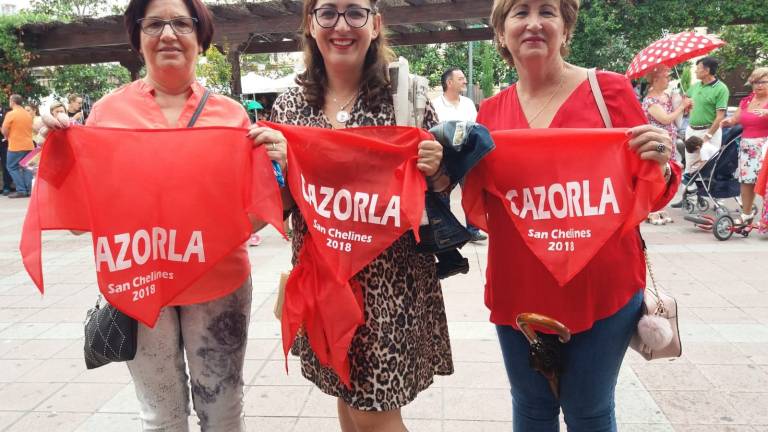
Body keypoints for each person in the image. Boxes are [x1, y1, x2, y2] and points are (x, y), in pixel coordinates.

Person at [42, 0, 287, 430]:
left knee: (223, 409)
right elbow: (83, 220)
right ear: (137, 39)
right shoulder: (106, 115)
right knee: (160, 414)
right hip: (139, 282)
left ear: (201, 39)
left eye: (181, 23)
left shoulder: (232, 118)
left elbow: (259, 209)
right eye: (153, 24)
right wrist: (59, 152)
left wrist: (269, 178)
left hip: (218, 283)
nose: (168, 34)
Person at [475, 0, 679, 430]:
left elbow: (653, 192)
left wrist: (660, 162)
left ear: (566, 29)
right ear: (501, 32)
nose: (533, 23)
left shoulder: (609, 92)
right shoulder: (489, 115)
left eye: (547, 11)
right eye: (519, 12)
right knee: (531, 409)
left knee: (589, 411)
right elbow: (479, 204)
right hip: (519, 294)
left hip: (602, 293)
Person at [270, 0, 453, 430]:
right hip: (323, 282)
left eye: (355, 12)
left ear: (375, 24)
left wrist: (438, 168)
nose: (341, 26)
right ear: (311, 25)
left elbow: (439, 189)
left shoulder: (405, 98)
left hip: (390, 289)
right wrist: (281, 173)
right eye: (328, 12)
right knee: (345, 395)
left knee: (374, 418)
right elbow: (281, 206)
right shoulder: (291, 107)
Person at [432, 68, 488, 242]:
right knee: (443, 195)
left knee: (471, 192)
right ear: (449, 83)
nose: (465, 81)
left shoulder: (468, 103)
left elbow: (476, 126)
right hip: (445, 156)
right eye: (461, 78)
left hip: (466, 156)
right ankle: (446, 231)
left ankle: (472, 229)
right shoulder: (435, 104)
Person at [642, 65, 691, 224]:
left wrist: (685, 107)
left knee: (665, 175)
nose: (668, 80)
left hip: (668, 141)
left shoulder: (667, 96)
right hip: (657, 143)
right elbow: (665, 119)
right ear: (656, 79)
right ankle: (650, 210)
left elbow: (676, 119)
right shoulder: (651, 100)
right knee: (657, 173)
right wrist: (681, 108)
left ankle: (659, 206)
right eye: (666, 77)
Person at [720, 67, 768, 224]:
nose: (758, 85)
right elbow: (736, 119)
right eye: (755, 82)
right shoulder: (747, 100)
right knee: (746, 181)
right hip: (747, 146)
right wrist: (729, 122)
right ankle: (746, 214)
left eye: (762, 82)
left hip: (765, 146)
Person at [1, 94, 35, 198]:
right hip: (29, 145)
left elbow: (4, 129)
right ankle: (29, 190)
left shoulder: (11, 114)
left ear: (13, 102)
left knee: (11, 166)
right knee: (27, 167)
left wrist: (6, 136)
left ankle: (21, 190)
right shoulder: (28, 114)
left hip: (16, 145)